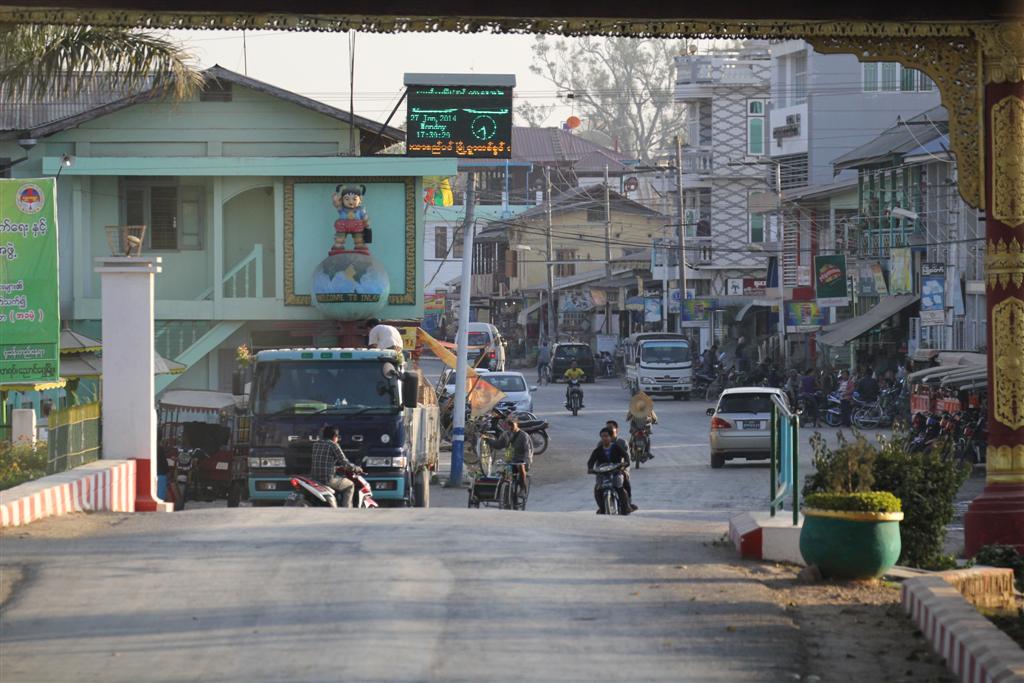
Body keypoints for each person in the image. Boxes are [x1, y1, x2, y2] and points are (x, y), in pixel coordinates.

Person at [484, 416, 532, 503]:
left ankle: (522, 489)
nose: (510, 427)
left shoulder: (524, 436)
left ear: (517, 424)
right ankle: (502, 492)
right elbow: (499, 445)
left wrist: (525, 462)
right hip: (510, 460)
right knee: (501, 471)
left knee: (520, 467)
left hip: (521, 460)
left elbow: (527, 452)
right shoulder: (506, 435)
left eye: (512, 425)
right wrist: (489, 440)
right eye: (508, 425)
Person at [310, 425, 360, 508]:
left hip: (315, 479)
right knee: (350, 485)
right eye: (337, 437)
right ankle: (346, 510)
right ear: (335, 436)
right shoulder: (333, 445)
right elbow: (345, 463)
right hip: (327, 480)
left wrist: (335, 467)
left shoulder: (316, 444)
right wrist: (356, 468)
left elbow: (323, 460)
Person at [587, 428, 633, 514]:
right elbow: (591, 461)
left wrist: (625, 463)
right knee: (598, 489)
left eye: (606, 436)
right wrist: (590, 469)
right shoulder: (598, 450)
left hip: (616, 471)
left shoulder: (616, 447)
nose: (604, 438)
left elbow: (625, 455)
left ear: (610, 437)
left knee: (620, 487)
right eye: (602, 436)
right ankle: (601, 508)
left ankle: (625, 508)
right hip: (602, 474)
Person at [603, 420, 637, 510]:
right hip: (606, 471)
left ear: (616, 430)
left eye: (611, 428)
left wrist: (624, 468)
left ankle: (628, 504)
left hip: (620, 469)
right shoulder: (601, 443)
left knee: (625, 482)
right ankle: (602, 506)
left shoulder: (622, 443)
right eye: (607, 429)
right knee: (597, 487)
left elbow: (627, 458)